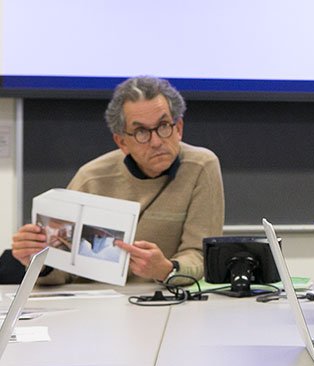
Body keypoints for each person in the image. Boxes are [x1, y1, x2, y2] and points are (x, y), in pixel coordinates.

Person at [11, 76, 224, 284]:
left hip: (163, 296)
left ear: (178, 128)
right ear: (121, 141)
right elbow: (63, 268)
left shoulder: (201, 166)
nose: (156, 141)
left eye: (164, 126)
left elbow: (200, 254)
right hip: (94, 299)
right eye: (141, 132)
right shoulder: (92, 178)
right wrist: (37, 259)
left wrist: (168, 269)